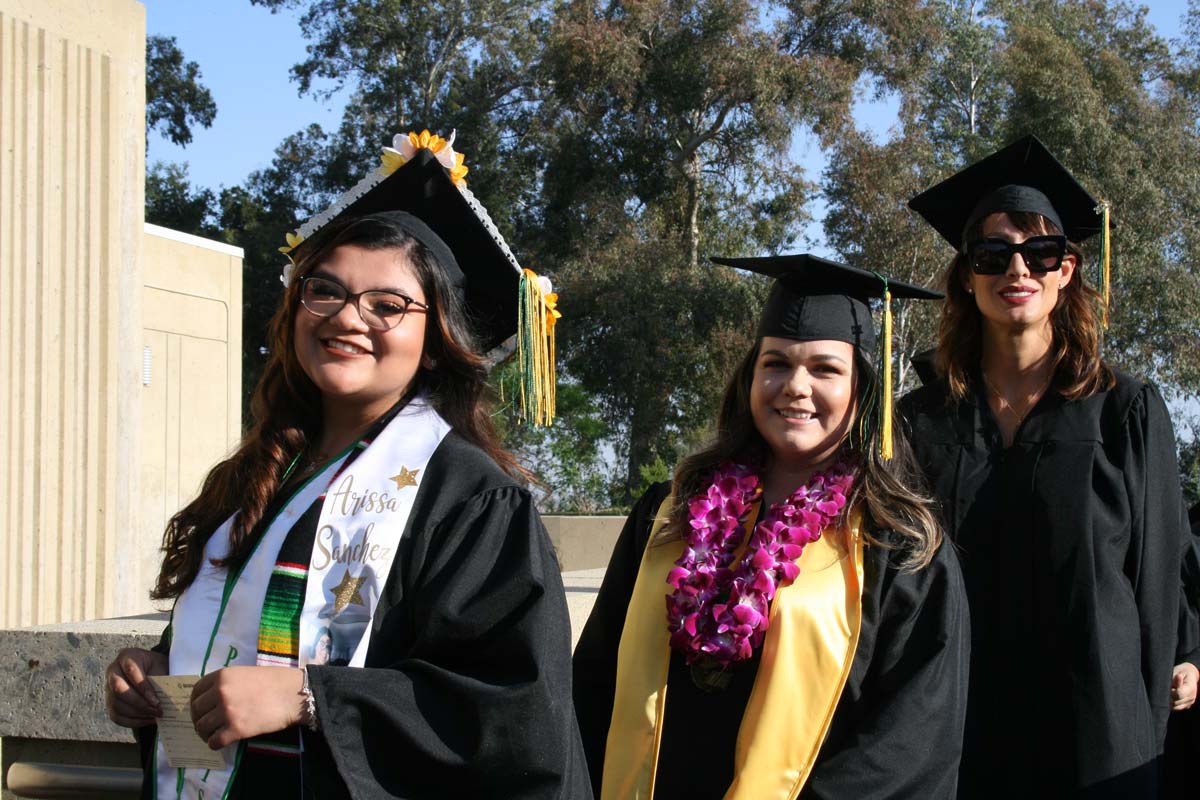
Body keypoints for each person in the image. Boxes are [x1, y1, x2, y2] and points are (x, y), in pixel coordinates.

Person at [103, 132, 590, 799]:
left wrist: (310, 697)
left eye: (387, 305)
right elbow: (249, 633)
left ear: (433, 338)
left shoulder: (470, 499)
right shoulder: (265, 473)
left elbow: (514, 715)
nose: (347, 317)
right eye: (324, 291)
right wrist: (158, 668)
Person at [573, 254, 970, 799]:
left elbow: (909, 742)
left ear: (864, 393)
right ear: (750, 377)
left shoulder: (899, 547)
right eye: (776, 363)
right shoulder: (667, 514)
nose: (795, 386)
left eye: (826, 369)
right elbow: (593, 682)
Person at [902, 134, 1198, 798]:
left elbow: (1160, 564)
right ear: (967, 275)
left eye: (1040, 252)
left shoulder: (1125, 410)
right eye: (993, 254)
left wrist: (1179, 661)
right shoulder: (919, 421)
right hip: (960, 723)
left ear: (1066, 271)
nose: (1018, 270)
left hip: (1096, 726)